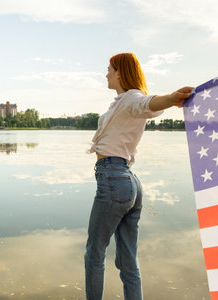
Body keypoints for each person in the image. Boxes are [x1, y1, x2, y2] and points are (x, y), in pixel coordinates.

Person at [85, 52, 193, 300]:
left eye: (109, 69)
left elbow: (149, 103)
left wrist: (171, 98)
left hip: (113, 180)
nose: (106, 74)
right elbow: (146, 105)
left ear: (120, 72)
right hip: (127, 182)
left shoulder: (133, 98)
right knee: (128, 261)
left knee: (94, 253)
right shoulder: (124, 101)